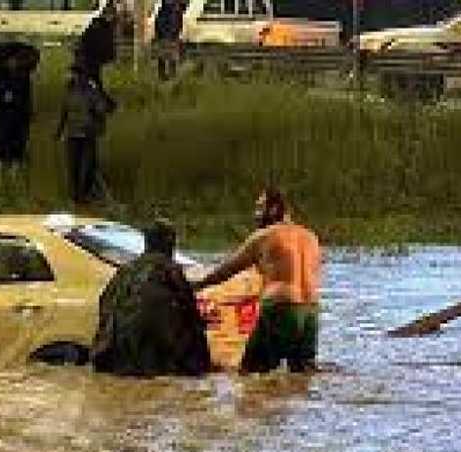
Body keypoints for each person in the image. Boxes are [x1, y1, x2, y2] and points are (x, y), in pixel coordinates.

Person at [193, 188, 322, 374]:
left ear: (274, 209)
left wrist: (198, 285)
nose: (255, 215)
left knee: (250, 373)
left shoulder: (264, 237)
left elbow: (226, 270)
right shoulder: (311, 237)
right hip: (311, 311)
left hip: (280, 308)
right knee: (302, 375)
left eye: (260, 208)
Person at [92, 218, 211, 377]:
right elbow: (189, 309)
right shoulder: (169, 269)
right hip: (153, 355)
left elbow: (104, 302)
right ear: (169, 242)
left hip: (114, 352)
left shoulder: (125, 270)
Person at [55, 62, 114, 204]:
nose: (75, 77)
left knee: (88, 166)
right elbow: (64, 112)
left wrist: (99, 110)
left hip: (88, 134)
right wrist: (59, 130)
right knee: (73, 165)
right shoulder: (69, 92)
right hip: (73, 133)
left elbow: (105, 109)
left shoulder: (92, 92)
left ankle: (85, 193)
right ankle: (75, 195)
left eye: (78, 74)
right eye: (74, 74)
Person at [0, 53, 33, 166]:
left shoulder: (23, 78)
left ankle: (15, 165)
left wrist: (16, 100)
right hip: (2, 115)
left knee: (16, 142)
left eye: (14, 60)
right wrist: (2, 96)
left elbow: (27, 98)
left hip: (18, 115)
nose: (11, 63)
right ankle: (0, 163)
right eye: (9, 60)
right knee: (1, 141)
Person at [154, 0, 184, 81]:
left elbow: (179, 24)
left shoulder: (173, 10)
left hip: (169, 36)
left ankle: (167, 74)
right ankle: (167, 74)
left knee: (168, 57)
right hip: (169, 36)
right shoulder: (172, 10)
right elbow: (178, 24)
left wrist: (177, 33)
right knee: (167, 57)